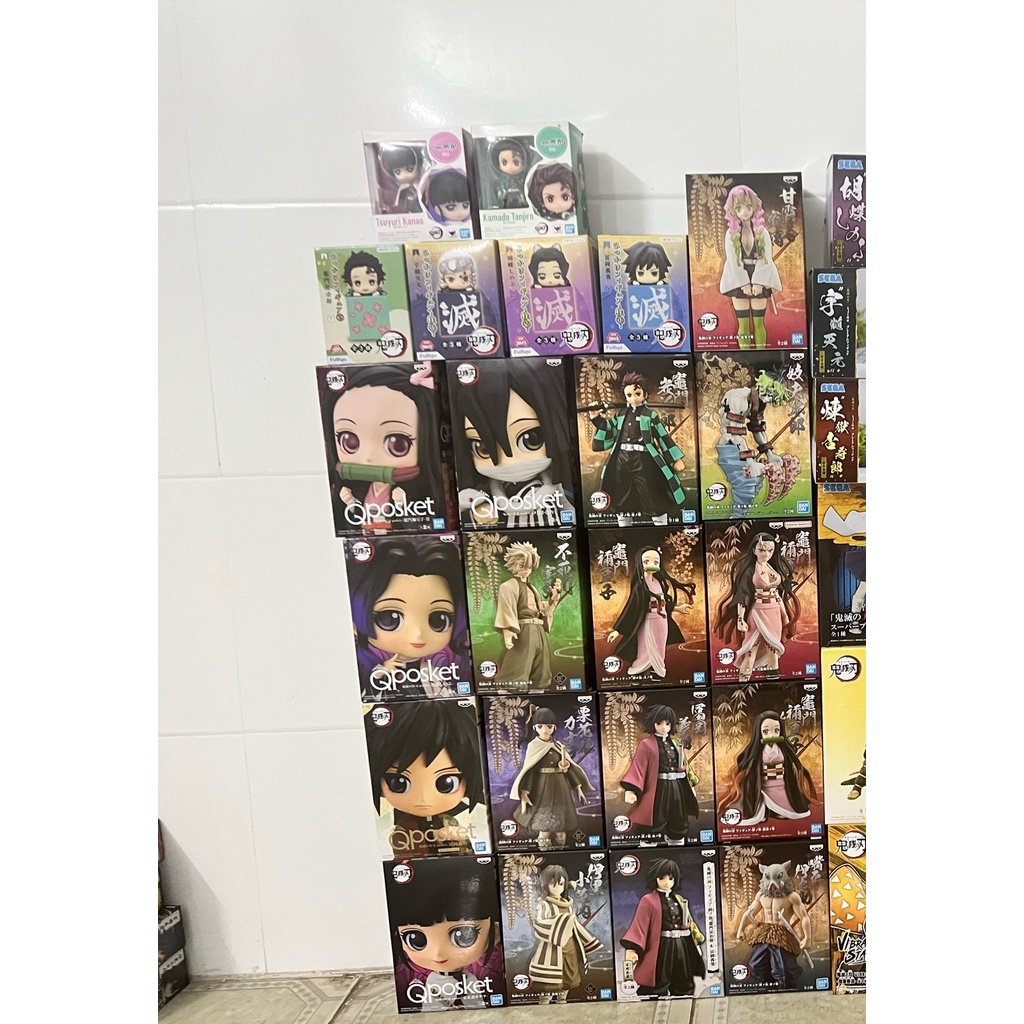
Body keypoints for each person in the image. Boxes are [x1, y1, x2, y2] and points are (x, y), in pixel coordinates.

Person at [320, 364, 444, 533]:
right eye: (349, 442)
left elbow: (416, 524)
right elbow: (355, 517)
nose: (368, 457)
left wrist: (401, 504)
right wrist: (350, 502)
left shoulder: (412, 491)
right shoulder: (358, 488)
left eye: (397, 444)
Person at [455, 359, 575, 528]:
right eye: (483, 448)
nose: (509, 461)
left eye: (530, 439)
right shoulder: (485, 494)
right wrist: (479, 505)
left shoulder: (557, 487)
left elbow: (571, 512)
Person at [348, 535, 471, 700]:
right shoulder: (370, 669)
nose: (418, 634)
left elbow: (448, 696)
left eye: (439, 620)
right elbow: (370, 696)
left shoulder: (431, 670)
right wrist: (382, 671)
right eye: (390, 619)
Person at [366, 700, 487, 858]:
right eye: (399, 783)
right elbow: (406, 857)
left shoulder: (450, 821)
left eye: (446, 783)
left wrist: (457, 841)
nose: (423, 798)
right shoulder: (405, 827)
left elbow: (467, 853)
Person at [388, 857, 504, 1011]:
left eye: (463, 936)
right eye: (416, 940)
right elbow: (430, 1009)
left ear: (495, 933)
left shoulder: (471, 979)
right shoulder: (433, 981)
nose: (438, 954)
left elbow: (478, 1005)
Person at [589, 371, 687, 527]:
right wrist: (595, 416)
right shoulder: (620, 415)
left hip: (644, 459)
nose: (633, 399)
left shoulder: (650, 415)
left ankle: (661, 525)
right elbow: (609, 429)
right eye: (629, 395)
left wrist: (675, 459)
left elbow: (662, 436)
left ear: (645, 394)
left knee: (651, 491)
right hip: (621, 459)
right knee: (621, 493)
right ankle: (624, 525)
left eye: (637, 394)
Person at [712, 531, 799, 681]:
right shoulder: (750, 571)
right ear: (754, 550)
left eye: (770, 550)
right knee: (751, 649)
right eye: (762, 550)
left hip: (774, 612)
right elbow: (743, 595)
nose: (767, 554)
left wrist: (785, 615)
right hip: (757, 612)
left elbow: (778, 596)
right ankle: (743, 681)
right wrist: (740, 618)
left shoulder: (773, 568)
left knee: (773, 650)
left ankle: (773, 682)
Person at [620, 858, 706, 998]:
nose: (667, 882)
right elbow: (639, 925)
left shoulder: (679, 899)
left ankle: (683, 997)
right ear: (655, 878)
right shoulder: (648, 900)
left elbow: (690, 922)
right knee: (658, 979)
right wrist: (632, 949)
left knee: (683, 979)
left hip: (681, 944)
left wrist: (695, 941)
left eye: (671, 878)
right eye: (662, 878)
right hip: (661, 945)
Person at [510, 706, 594, 849]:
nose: (545, 730)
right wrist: (524, 792)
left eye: (549, 726)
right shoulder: (534, 746)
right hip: (541, 788)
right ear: (535, 728)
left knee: (561, 826)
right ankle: (544, 850)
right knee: (544, 827)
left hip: (561, 787)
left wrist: (578, 787)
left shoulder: (558, 745)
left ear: (554, 727)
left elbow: (569, 769)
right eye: (540, 726)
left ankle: (560, 848)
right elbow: (530, 771)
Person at [716, 710, 817, 826]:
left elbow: (794, 766)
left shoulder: (783, 750)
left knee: (790, 807)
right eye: (766, 731)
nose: (771, 735)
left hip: (781, 785)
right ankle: (762, 812)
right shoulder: (756, 751)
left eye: (776, 731)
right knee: (758, 800)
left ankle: (779, 811)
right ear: (759, 733)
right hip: (763, 785)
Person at [606, 548, 695, 680]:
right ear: (640, 563)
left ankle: (657, 671)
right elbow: (632, 608)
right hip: (647, 621)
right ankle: (637, 671)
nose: (652, 564)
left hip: (662, 621)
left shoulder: (659, 583)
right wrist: (617, 630)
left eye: (656, 561)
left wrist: (678, 608)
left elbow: (663, 603)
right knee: (645, 647)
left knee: (659, 647)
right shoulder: (640, 586)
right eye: (646, 561)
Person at [620, 705, 700, 844]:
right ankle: (650, 842)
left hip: (676, 786)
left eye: (667, 723)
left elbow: (685, 765)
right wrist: (630, 789)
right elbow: (638, 767)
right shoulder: (646, 744)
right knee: (656, 816)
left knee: (678, 816)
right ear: (653, 724)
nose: (664, 727)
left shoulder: (675, 743)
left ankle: (676, 840)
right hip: (658, 788)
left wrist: (690, 783)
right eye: (659, 723)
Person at [494, 543, 566, 691]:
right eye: (522, 565)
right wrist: (508, 631)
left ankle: (538, 691)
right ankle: (508, 692)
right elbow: (506, 609)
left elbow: (542, 609)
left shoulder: (532, 588)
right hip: (523, 630)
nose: (526, 569)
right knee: (519, 664)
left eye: (529, 566)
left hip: (538, 630)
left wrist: (554, 598)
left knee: (541, 667)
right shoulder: (508, 586)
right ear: (513, 565)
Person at [718, 184, 782, 349]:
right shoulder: (731, 234)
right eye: (739, 208)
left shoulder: (762, 232)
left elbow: (765, 258)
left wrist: (759, 282)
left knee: (759, 322)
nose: (745, 212)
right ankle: (745, 356)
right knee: (743, 323)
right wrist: (744, 283)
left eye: (748, 206)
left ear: (754, 206)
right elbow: (733, 260)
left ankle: (761, 355)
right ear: (733, 210)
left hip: (759, 274)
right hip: (738, 278)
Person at [528, 863, 602, 1003]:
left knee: (568, 980)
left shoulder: (568, 904)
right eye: (552, 883)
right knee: (548, 986)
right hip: (551, 949)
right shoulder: (544, 905)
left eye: (561, 884)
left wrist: (589, 941)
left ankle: (563, 1002)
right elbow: (539, 924)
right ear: (545, 884)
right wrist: (562, 922)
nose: (557, 887)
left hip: (570, 947)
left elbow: (576, 925)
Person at [736, 859, 812, 989]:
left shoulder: (791, 897)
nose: (772, 883)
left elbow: (804, 917)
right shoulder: (761, 895)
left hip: (782, 935)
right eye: (769, 878)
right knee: (755, 965)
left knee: (784, 969)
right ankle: (769, 986)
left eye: (777, 877)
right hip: (764, 933)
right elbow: (750, 913)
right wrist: (741, 929)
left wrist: (808, 938)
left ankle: (785, 988)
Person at [378, 144, 424, 214]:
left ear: (419, 166)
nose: (404, 175)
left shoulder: (422, 186)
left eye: (410, 169)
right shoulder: (403, 189)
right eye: (398, 172)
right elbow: (398, 203)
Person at [488, 138, 530, 208]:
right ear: (499, 165)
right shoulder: (501, 182)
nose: (509, 167)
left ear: (524, 164)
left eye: (516, 162)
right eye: (504, 163)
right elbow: (498, 194)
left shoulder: (524, 180)